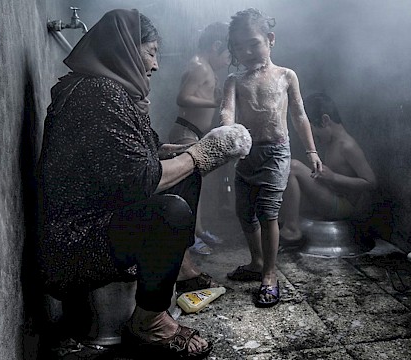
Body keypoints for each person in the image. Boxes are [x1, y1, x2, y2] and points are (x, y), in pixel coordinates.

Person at [35, 9, 251, 358]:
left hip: (95, 219)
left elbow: (139, 156)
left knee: (186, 177)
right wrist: (201, 154)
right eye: (151, 52)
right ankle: (148, 322)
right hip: (75, 241)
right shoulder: (97, 95)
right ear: (124, 49)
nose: (154, 65)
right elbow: (139, 180)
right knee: (170, 211)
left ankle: (175, 271)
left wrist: (182, 154)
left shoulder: (105, 90)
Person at [219, 8, 322, 308]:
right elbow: (227, 111)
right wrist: (227, 132)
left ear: (270, 39)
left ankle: (269, 274)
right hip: (246, 152)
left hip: (276, 151)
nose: (247, 51)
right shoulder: (234, 80)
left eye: (253, 43)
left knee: (267, 211)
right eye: (239, 47)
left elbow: (300, 115)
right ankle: (256, 261)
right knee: (244, 212)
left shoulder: (286, 76)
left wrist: (312, 151)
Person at [169, 23, 230, 292]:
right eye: (227, 54)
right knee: (189, 188)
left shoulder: (205, 66)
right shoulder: (199, 65)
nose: (228, 61)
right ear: (216, 46)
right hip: (186, 132)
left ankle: (199, 230)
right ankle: (191, 238)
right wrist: (215, 103)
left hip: (195, 133)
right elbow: (182, 98)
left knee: (199, 187)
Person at [279, 93, 377, 244]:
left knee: (293, 167)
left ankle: (292, 228)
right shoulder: (332, 142)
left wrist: (333, 177)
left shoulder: (347, 145)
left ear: (325, 120)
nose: (314, 139)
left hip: (343, 206)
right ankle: (285, 225)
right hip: (332, 196)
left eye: (314, 133)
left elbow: (371, 183)